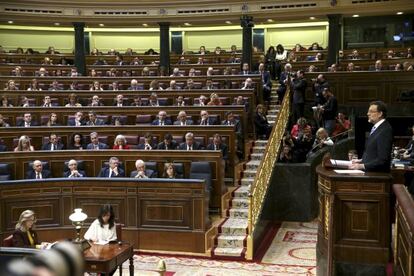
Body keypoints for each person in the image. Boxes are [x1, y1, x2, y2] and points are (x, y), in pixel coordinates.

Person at [349, 101, 393, 172]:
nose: (367, 114)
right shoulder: (378, 128)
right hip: (371, 173)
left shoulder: (385, 130)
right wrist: (361, 160)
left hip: (377, 176)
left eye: (371, 111)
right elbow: (373, 153)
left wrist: (362, 166)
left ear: (380, 114)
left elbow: (382, 159)